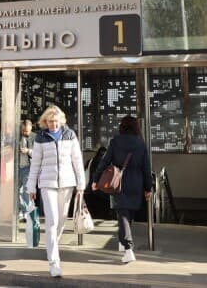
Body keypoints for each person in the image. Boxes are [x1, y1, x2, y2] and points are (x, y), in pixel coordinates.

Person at [27, 105, 85, 277]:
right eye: (50, 121)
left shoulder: (70, 135)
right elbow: (35, 163)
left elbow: (77, 160)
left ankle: (53, 244)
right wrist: (31, 186)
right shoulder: (40, 138)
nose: (54, 124)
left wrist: (81, 184)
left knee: (61, 220)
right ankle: (54, 262)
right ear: (45, 122)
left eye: (56, 121)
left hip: (67, 183)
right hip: (47, 183)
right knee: (52, 220)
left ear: (62, 121)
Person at [90, 116, 152, 263]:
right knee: (128, 215)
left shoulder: (115, 141)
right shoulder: (141, 144)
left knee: (122, 214)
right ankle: (123, 243)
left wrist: (96, 179)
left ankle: (128, 248)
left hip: (118, 182)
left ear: (122, 127)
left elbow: (105, 161)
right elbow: (146, 168)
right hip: (136, 183)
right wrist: (148, 188)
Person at [84, 146, 112, 220]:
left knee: (92, 215)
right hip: (104, 193)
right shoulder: (108, 163)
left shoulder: (90, 161)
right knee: (103, 214)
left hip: (91, 192)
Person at [19, 120, 34, 219]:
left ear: (31, 128)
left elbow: (39, 153)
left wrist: (28, 151)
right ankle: (22, 209)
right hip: (16, 167)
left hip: (28, 167)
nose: (25, 132)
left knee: (26, 190)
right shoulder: (16, 137)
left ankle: (25, 211)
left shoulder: (35, 137)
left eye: (27, 131)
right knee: (16, 191)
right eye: (23, 130)